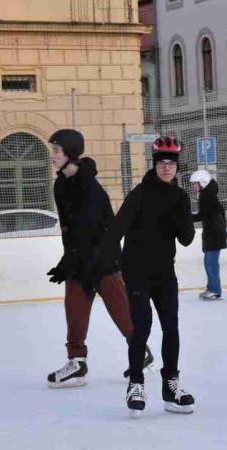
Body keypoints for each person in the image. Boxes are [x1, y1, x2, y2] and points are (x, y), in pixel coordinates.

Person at [45, 128, 153, 388]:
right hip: (78, 260)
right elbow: (71, 231)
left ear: (70, 154)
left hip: (103, 261)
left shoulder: (90, 188)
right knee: (74, 311)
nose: (52, 156)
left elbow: (99, 230)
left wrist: (95, 262)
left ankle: (142, 353)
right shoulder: (60, 184)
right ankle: (77, 363)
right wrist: (67, 262)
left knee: (121, 311)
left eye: (56, 151)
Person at [97, 136, 196, 418]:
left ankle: (170, 385)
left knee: (171, 328)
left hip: (165, 273)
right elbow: (116, 230)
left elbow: (187, 239)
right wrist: (106, 263)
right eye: (162, 163)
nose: (167, 168)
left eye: (171, 164)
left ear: (177, 167)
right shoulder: (139, 194)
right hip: (137, 272)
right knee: (141, 328)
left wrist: (183, 212)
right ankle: (136, 384)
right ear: (155, 165)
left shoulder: (179, 197)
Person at [190, 170, 227, 300]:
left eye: (195, 184)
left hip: (214, 235)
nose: (193, 187)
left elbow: (202, 215)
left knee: (211, 263)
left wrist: (185, 218)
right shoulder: (206, 195)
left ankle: (215, 289)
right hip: (211, 234)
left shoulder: (208, 197)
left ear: (203, 182)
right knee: (208, 262)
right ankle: (211, 287)